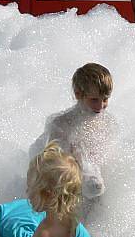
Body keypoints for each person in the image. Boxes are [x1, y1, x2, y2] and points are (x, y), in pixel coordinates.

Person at [31, 63, 115, 215]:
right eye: (94, 99)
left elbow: (108, 157)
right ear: (78, 94)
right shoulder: (61, 124)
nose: (101, 106)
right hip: (68, 193)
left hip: (98, 188)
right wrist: (83, 173)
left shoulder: (107, 122)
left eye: (106, 99)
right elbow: (55, 165)